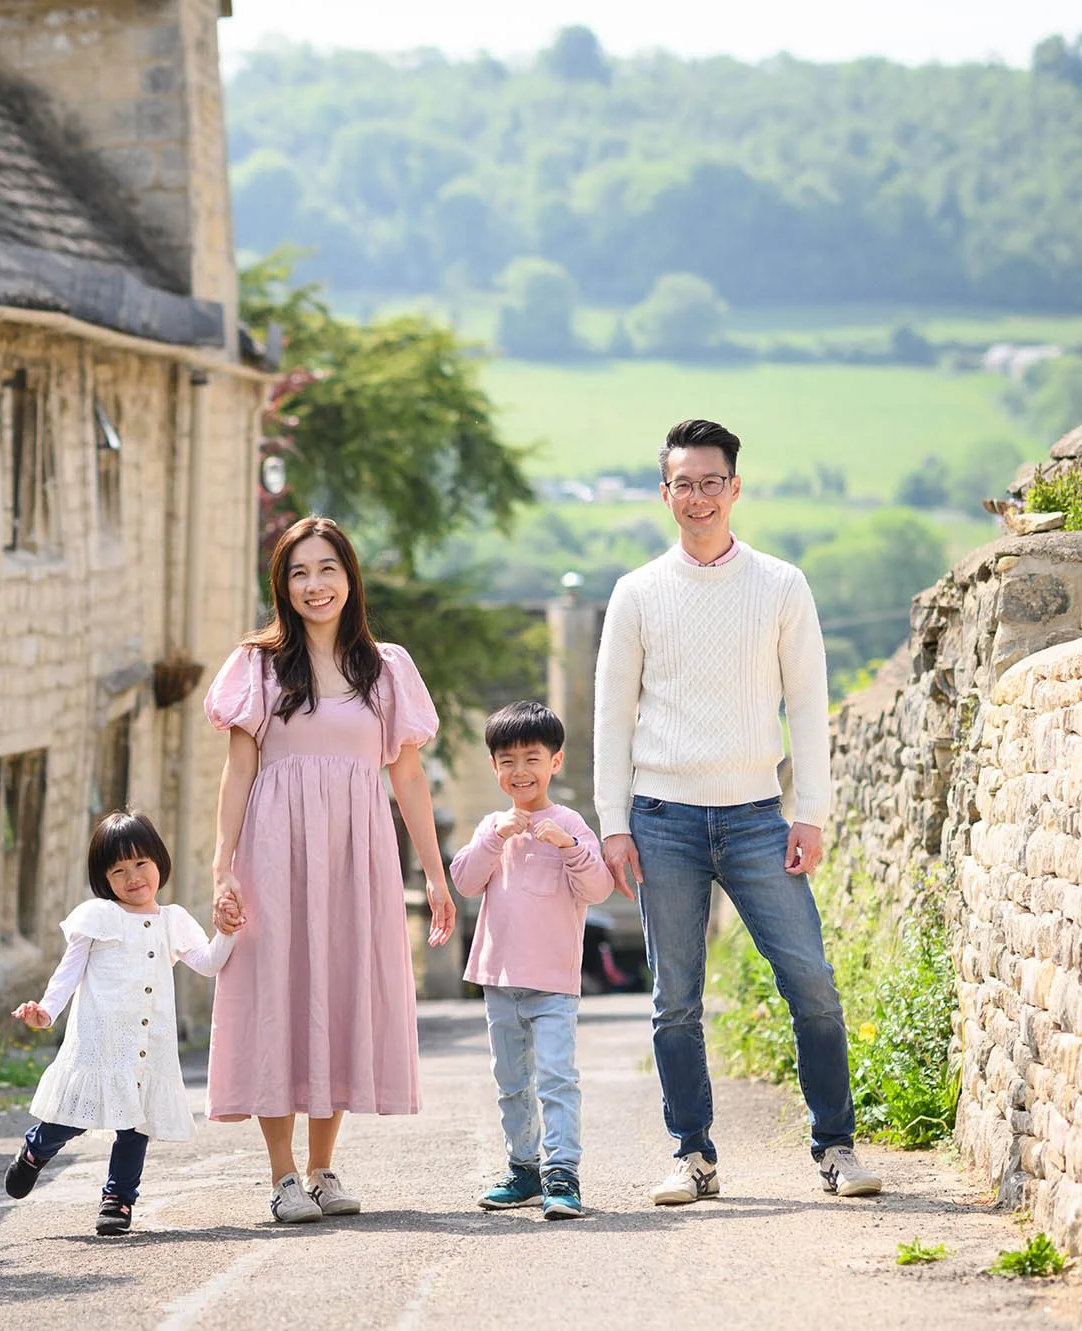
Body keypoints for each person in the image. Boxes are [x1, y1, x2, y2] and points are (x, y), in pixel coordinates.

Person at [593, 417, 883, 1204]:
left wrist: (811, 812)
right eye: (682, 483)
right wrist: (612, 822)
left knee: (813, 983)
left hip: (758, 814)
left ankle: (836, 1145)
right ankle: (692, 1152)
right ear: (665, 493)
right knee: (674, 1001)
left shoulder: (782, 585)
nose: (697, 496)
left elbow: (810, 705)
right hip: (662, 816)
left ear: (735, 487)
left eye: (710, 481)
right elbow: (612, 715)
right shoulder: (637, 593)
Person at [205, 515, 456, 1224]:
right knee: (279, 991)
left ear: (351, 577)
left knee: (341, 989)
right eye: (298, 572)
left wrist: (435, 876)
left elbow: (408, 780)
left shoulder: (387, 668)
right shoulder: (256, 666)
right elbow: (237, 773)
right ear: (282, 585)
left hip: (358, 852)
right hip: (275, 848)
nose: (315, 585)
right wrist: (222, 869)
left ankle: (322, 1169)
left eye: (327, 569)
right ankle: (282, 1174)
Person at [5, 809, 240, 1236]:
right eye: (118, 870)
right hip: (100, 1041)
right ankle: (36, 1150)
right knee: (74, 1116)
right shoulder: (97, 916)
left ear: (159, 863)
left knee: (136, 1125)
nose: (133, 877)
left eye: (141, 864)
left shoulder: (174, 920)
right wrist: (45, 1011)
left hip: (149, 1043)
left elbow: (207, 964)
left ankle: (118, 1199)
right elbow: (68, 972)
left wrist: (228, 930)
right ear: (104, 879)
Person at [449, 701, 615, 1220]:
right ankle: (523, 1170)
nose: (520, 771)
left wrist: (568, 847)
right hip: (499, 980)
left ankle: (561, 1174)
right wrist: (496, 837)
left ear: (555, 762)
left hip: (553, 984)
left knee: (557, 1078)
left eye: (531, 759)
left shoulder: (569, 824)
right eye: (507, 761)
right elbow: (465, 881)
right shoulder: (492, 826)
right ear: (494, 767)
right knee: (511, 1081)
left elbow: (599, 888)